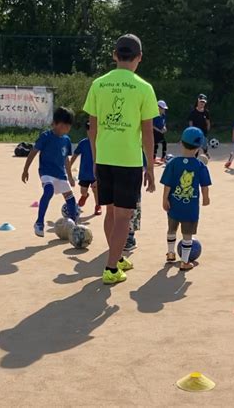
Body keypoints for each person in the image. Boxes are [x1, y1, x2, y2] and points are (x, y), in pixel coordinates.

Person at [83, 33, 158, 285]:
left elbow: (91, 128)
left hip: (104, 157)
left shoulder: (98, 84)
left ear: (115, 55)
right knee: (124, 217)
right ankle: (112, 268)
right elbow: (147, 131)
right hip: (128, 160)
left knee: (111, 212)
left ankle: (115, 257)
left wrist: (94, 159)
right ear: (139, 58)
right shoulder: (143, 87)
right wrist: (150, 164)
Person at [161, 127, 211, 271]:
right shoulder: (199, 165)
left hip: (173, 204)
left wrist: (164, 199)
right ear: (198, 148)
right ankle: (184, 261)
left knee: (171, 229)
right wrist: (206, 198)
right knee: (187, 234)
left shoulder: (173, 163)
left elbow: (167, 185)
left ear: (181, 143)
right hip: (191, 207)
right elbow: (205, 185)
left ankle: (171, 253)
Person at [21, 107, 77, 237]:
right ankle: (39, 222)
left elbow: (66, 159)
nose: (67, 129)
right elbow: (33, 152)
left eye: (69, 126)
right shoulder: (46, 136)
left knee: (71, 198)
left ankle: (73, 225)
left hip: (60, 174)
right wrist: (25, 170)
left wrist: (70, 176)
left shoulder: (66, 140)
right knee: (49, 190)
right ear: (56, 123)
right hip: (46, 172)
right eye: (65, 126)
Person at [70, 121, 101, 215]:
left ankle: (98, 206)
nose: (91, 132)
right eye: (89, 130)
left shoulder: (99, 142)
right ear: (87, 131)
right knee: (83, 191)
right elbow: (75, 155)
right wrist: (69, 166)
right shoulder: (83, 143)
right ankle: (85, 196)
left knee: (96, 189)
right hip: (84, 173)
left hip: (96, 172)